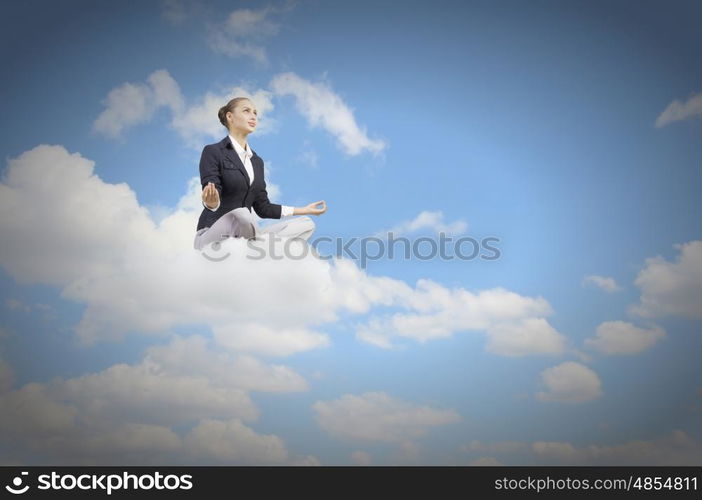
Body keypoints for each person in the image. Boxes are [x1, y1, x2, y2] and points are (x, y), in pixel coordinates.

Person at [193, 97, 327, 251]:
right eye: (246, 111)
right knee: (242, 214)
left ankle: (255, 249)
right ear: (230, 116)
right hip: (213, 233)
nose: (253, 116)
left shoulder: (257, 162)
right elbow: (211, 189)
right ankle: (257, 248)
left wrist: (304, 209)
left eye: (255, 113)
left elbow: (263, 208)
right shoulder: (214, 151)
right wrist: (211, 202)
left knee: (306, 224)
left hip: (245, 236)